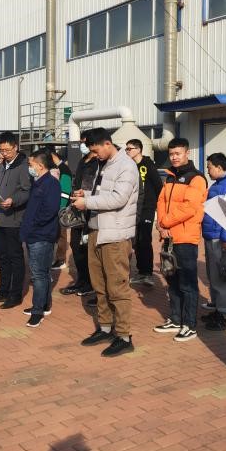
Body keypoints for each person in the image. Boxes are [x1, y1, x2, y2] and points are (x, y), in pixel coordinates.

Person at [72, 127, 138, 357]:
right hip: (96, 231)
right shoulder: (104, 164)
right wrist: (86, 195)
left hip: (115, 235)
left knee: (117, 287)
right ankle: (106, 328)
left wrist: (88, 203)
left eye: (96, 150)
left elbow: (119, 198)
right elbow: (103, 193)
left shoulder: (126, 166)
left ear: (107, 144)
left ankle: (124, 336)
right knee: (99, 286)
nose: (94, 154)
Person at [154, 138, 208, 342]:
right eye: (171, 154)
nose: (174, 157)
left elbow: (190, 207)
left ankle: (189, 325)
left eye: (178, 153)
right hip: (168, 236)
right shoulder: (170, 177)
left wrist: (165, 222)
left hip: (185, 238)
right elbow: (161, 201)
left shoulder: (196, 178)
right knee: (172, 281)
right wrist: (161, 226)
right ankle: (176, 319)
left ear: (187, 153)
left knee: (187, 283)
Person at [0, 132, 31, 309]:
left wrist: (13, 200)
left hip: (13, 219)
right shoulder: (3, 165)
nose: (4, 153)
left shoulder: (23, 166)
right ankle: (2, 291)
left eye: (8, 150)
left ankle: (15, 294)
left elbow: (26, 191)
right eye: (2, 150)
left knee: (15, 257)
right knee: (2, 256)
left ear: (15, 147)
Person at [20, 149, 61, 328]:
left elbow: (50, 210)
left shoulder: (51, 183)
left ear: (40, 165)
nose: (30, 167)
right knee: (41, 273)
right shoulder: (38, 182)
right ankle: (44, 305)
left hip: (41, 235)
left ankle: (38, 311)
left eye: (31, 164)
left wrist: (34, 224)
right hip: (33, 233)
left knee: (38, 275)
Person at [200, 152, 226, 331]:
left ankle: (225, 316)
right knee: (214, 276)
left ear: (218, 167)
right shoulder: (219, 183)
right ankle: (218, 309)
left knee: (222, 277)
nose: (208, 170)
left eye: (209, 167)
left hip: (220, 237)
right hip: (212, 234)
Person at [60, 131, 99, 298]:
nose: (83, 146)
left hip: (92, 210)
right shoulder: (83, 161)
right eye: (82, 142)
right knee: (76, 246)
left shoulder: (99, 162)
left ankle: (91, 284)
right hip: (78, 210)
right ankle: (81, 280)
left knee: (89, 248)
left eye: (85, 142)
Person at [125, 139, 163, 287]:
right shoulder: (130, 166)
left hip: (147, 208)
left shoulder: (148, 165)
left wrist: (157, 206)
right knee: (136, 241)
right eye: (126, 149)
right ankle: (141, 271)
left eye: (130, 149)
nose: (127, 151)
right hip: (134, 208)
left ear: (139, 149)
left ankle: (147, 274)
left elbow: (159, 186)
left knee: (144, 239)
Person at [50, 148, 73, 270]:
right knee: (57, 234)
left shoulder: (64, 169)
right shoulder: (56, 168)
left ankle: (61, 259)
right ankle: (57, 258)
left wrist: (60, 209)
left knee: (61, 234)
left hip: (60, 209)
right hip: (54, 207)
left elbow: (65, 193)